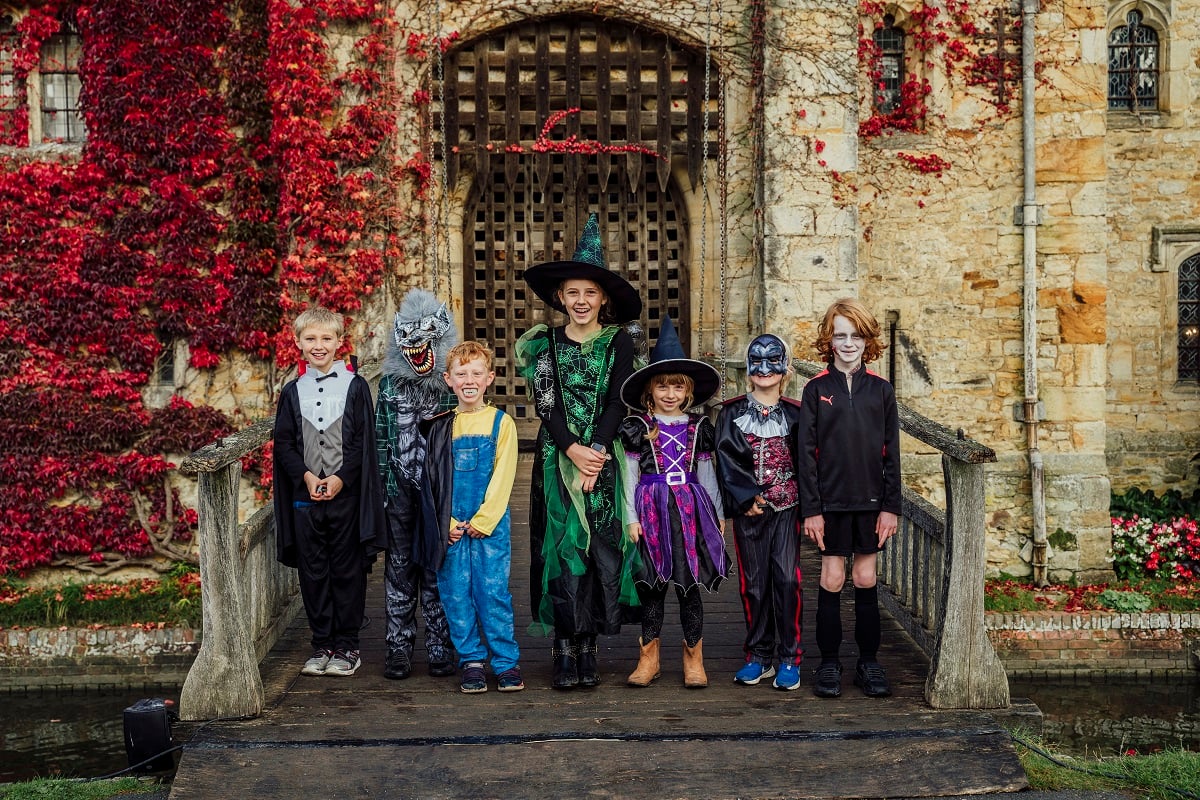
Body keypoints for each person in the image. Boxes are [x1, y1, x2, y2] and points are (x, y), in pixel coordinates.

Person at [516, 212, 643, 690]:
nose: (582, 300)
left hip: (601, 456)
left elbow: (619, 399)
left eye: (591, 292)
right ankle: (562, 645)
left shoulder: (619, 343)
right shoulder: (545, 344)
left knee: (596, 550)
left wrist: (594, 452)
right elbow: (545, 405)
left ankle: (588, 643)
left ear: (603, 298)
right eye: (573, 292)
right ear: (559, 298)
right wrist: (571, 449)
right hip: (556, 458)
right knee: (561, 548)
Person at [272, 306, 387, 678]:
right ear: (298, 342)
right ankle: (322, 644)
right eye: (310, 339)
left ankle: (348, 645)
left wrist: (340, 477)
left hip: (346, 496)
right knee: (314, 571)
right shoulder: (292, 392)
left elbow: (361, 443)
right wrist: (306, 476)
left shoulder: (354, 388)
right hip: (305, 498)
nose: (318, 345)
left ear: (340, 342)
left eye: (326, 338)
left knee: (346, 570)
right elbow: (285, 443)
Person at [617, 317, 729, 689]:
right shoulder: (638, 427)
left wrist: (717, 514)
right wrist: (631, 517)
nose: (669, 393)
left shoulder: (699, 428)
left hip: (689, 511)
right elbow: (629, 476)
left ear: (688, 391)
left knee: (687, 584)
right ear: (650, 390)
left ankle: (693, 658)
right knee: (651, 584)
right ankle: (648, 658)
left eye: (677, 387)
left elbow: (708, 475)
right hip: (650, 510)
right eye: (662, 386)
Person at [797, 298, 901, 699]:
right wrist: (813, 510)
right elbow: (805, 455)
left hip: (872, 503)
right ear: (829, 339)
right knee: (832, 577)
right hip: (831, 502)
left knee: (864, 577)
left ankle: (868, 663)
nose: (847, 343)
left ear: (867, 339)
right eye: (840, 335)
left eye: (855, 336)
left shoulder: (882, 391)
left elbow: (891, 452)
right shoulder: (816, 390)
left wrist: (892, 506)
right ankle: (828, 664)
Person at [418, 341, 523, 693]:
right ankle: (471, 661)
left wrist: (485, 518)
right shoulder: (440, 427)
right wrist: (445, 522)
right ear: (448, 379)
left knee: (492, 592)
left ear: (489, 378)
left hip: (488, 527)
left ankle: (505, 662)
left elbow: (504, 472)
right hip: (452, 527)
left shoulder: (500, 423)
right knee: (456, 593)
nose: (469, 380)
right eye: (461, 374)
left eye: (476, 373)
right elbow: (432, 479)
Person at [715, 334, 805, 690]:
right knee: (753, 583)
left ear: (787, 368)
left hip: (787, 508)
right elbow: (726, 458)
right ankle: (758, 655)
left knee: (786, 579)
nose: (764, 369)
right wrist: (744, 497)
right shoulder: (731, 413)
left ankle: (789, 657)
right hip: (749, 511)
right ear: (748, 367)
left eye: (773, 361)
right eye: (757, 361)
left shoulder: (798, 414)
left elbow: (809, 461)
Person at [375, 289, 457, 680]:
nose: (418, 350)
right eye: (410, 341)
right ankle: (398, 646)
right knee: (400, 566)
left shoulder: (451, 387)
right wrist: (382, 491)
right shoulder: (389, 386)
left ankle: (440, 645)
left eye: (426, 341)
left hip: (439, 492)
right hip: (399, 491)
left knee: (437, 566)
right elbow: (379, 439)